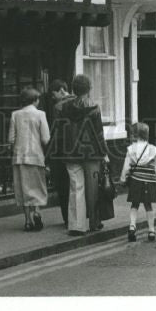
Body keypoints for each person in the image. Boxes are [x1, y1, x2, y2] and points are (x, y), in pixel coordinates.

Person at [54, 74, 108, 236]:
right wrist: (104, 153)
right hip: (91, 153)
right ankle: (94, 222)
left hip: (70, 152)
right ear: (89, 89)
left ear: (73, 89)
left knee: (76, 188)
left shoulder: (61, 108)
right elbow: (99, 134)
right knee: (93, 190)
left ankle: (77, 225)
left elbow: (59, 132)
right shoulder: (94, 107)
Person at [8, 86, 50, 231]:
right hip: (36, 156)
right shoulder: (41, 115)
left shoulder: (15, 115)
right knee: (37, 187)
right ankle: (37, 213)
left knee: (24, 189)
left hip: (19, 157)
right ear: (35, 100)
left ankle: (27, 220)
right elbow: (45, 139)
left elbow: (11, 138)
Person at [120, 122, 156, 242]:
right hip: (149, 181)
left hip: (136, 181)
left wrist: (123, 179)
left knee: (135, 204)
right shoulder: (153, 149)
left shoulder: (131, 149)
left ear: (134, 135)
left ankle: (132, 227)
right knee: (148, 205)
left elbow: (126, 167)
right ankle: (151, 231)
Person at [47, 79, 73, 226]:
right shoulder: (80, 102)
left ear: (62, 90)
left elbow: (57, 132)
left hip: (62, 152)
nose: (52, 98)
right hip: (80, 151)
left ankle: (68, 219)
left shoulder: (58, 107)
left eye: (53, 94)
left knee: (64, 187)